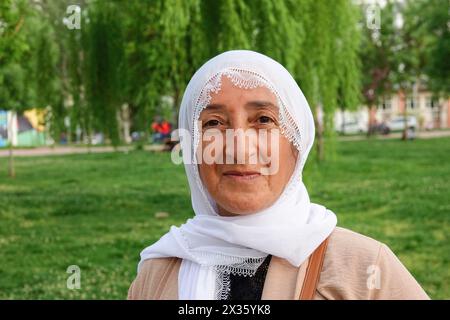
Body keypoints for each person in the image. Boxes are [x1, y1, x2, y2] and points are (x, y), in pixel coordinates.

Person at [128, 50, 429, 300]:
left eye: (263, 120)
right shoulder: (158, 274)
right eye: (214, 123)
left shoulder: (362, 269)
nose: (239, 148)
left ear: (297, 146)